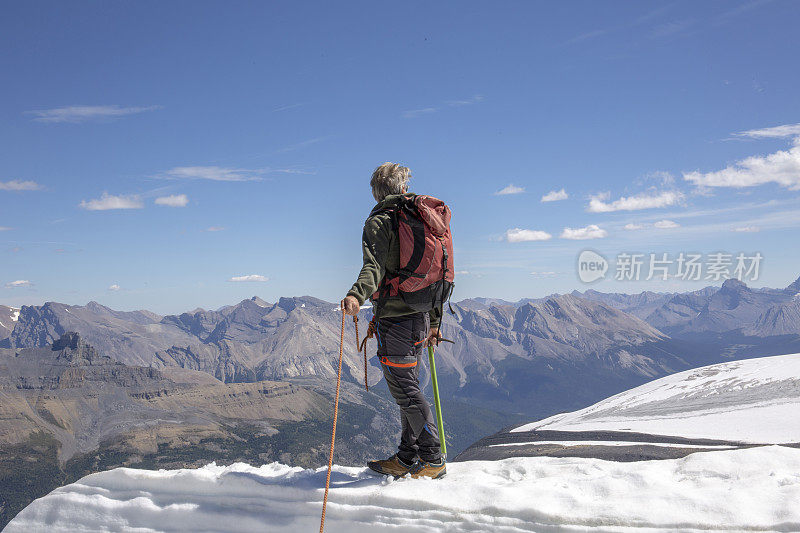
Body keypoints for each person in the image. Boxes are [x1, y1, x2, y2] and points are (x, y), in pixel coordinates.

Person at [343, 162, 446, 479]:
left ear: (376, 194)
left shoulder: (380, 222)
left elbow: (372, 267)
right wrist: (435, 322)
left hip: (396, 322)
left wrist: (356, 295)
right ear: (404, 189)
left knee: (406, 393)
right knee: (409, 388)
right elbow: (437, 275)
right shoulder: (422, 220)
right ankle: (406, 458)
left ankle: (432, 459)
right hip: (419, 317)